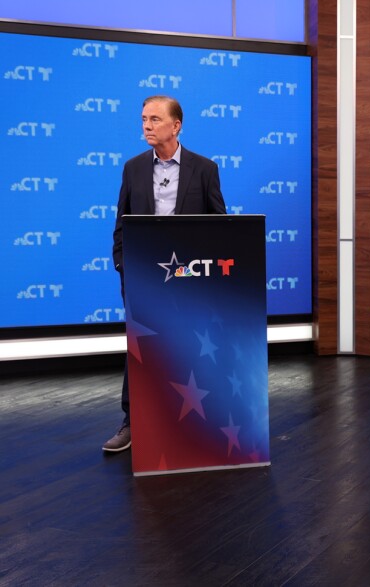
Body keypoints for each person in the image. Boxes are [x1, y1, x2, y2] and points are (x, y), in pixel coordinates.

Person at [103, 95, 227, 453]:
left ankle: (194, 423)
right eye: (144, 119)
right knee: (141, 346)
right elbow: (121, 223)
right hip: (143, 274)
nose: (147, 125)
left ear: (176, 126)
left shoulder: (204, 169)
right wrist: (123, 265)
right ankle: (132, 421)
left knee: (190, 344)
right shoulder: (133, 168)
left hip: (189, 277)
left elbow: (220, 225)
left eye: (155, 119)